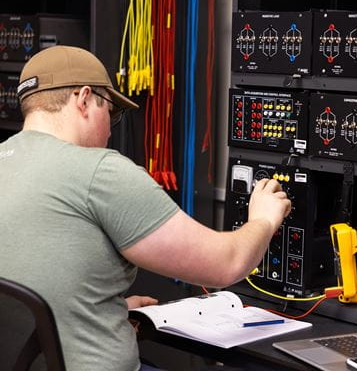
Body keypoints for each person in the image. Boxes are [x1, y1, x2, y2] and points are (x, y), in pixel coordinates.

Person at [0, 45, 291, 370]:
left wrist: (100, 311)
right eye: (110, 112)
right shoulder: (98, 171)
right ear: (83, 99)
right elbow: (228, 264)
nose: (111, 129)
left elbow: (28, 284)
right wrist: (263, 218)